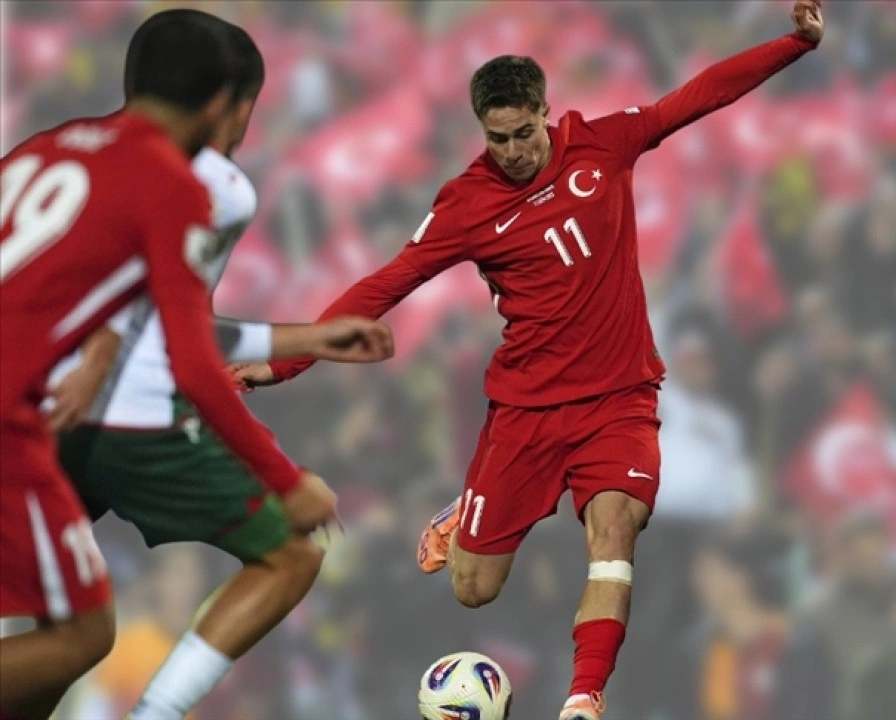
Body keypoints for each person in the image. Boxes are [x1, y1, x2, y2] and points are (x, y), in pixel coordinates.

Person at [235, 2, 825, 717]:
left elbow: (701, 94)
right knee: (473, 588)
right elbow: (386, 283)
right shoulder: (466, 205)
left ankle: (584, 696)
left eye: (524, 133)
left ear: (546, 113)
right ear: (480, 130)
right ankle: (469, 507)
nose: (513, 150)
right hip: (527, 410)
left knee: (615, 532)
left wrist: (794, 44)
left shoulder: (605, 144)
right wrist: (288, 359)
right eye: (498, 138)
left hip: (620, 399)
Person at [0, 10, 358, 719]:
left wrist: (305, 340)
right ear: (225, 104)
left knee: (54, 637)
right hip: (64, 424)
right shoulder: (183, 185)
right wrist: (285, 480)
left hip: (45, 410)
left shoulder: (40, 152)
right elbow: (187, 357)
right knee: (285, 554)